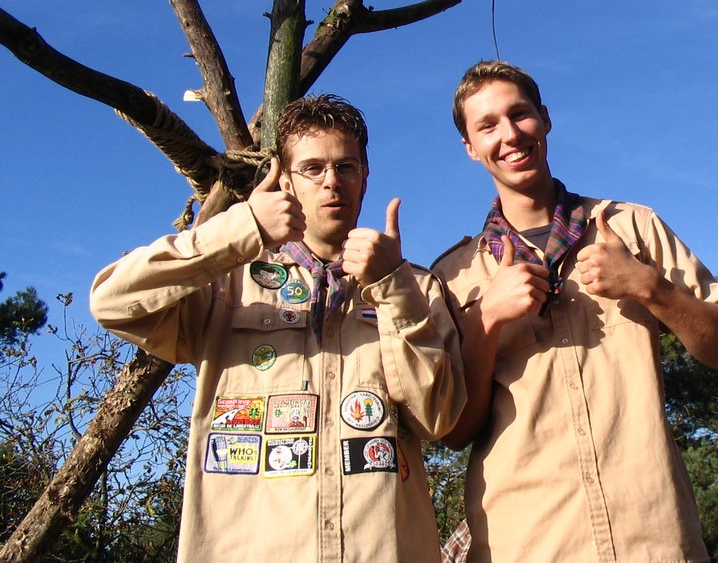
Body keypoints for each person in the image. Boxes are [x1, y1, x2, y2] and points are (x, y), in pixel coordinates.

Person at [91, 94, 466, 562]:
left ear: (365, 177)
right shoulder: (228, 282)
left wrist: (392, 287)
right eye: (313, 168)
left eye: (346, 167)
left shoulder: (416, 287)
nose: (332, 181)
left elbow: (438, 419)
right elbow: (112, 303)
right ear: (286, 181)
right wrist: (241, 228)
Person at [432, 60, 718, 562]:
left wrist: (650, 287)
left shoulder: (633, 228)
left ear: (545, 118)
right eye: (488, 126)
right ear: (470, 147)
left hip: (653, 538)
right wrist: (486, 322)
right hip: (526, 544)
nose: (510, 135)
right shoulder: (454, 276)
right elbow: (454, 432)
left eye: (520, 114)